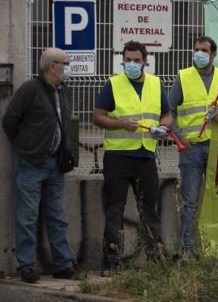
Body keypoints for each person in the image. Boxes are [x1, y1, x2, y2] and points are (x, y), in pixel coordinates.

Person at [93, 41, 172, 272]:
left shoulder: (156, 84)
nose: (131, 64)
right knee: (114, 212)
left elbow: (167, 115)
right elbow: (97, 117)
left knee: (150, 212)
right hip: (118, 158)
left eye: (136, 60)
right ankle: (112, 264)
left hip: (146, 157)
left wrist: (163, 127)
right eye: (127, 60)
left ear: (145, 61)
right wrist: (120, 124)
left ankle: (155, 262)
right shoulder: (113, 84)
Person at [1, 48, 76, 283]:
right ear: (53, 66)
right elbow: (9, 121)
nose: (68, 67)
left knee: (57, 216)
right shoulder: (30, 90)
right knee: (28, 216)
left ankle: (63, 264)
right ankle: (26, 265)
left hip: (55, 164)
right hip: (32, 164)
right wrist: (26, 146)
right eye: (66, 63)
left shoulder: (62, 90)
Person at [169, 36, 218, 255]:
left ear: (213, 54)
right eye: (196, 50)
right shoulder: (183, 77)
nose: (198, 54)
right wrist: (181, 137)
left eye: (203, 50)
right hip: (191, 150)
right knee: (190, 202)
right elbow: (169, 112)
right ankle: (187, 251)